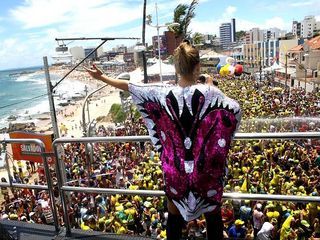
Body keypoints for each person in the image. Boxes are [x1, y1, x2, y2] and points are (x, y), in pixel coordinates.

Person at [86, 39, 241, 240]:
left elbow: (130, 86)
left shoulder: (161, 93)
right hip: (205, 172)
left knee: (174, 217)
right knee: (213, 215)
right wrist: (210, 84)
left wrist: (102, 77)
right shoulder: (211, 92)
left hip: (175, 170)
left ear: (177, 68)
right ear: (198, 67)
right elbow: (234, 109)